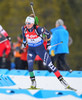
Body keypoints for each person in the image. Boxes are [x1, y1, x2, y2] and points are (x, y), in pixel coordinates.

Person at [21, 15, 71, 89]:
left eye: (29, 23)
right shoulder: (24, 28)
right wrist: (24, 42)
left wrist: (48, 44)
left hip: (40, 49)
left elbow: (48, 34)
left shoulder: (38, 29)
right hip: (31, 49)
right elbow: (24, 35)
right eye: (26, 23)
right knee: (30, 65)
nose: (27, 25)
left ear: (33, 23)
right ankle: (33, 83)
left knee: (50, 65)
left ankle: (63, 82)